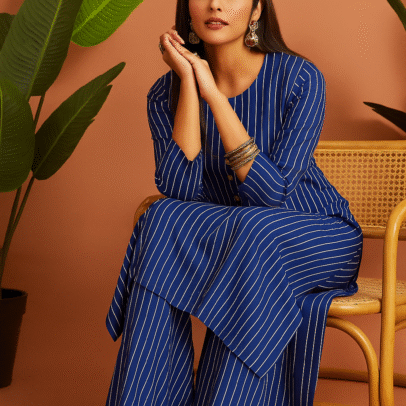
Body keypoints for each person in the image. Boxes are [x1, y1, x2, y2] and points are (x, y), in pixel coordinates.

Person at [105, 0, 363, 405]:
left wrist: (214, 95)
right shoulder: (163, 93)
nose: (216, 4)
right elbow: (181, 190)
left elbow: (270, 196)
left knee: (254, 230)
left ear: (257, 11)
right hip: (240, 237)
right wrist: (189, 85)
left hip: (318, 236)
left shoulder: (299, 77)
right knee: (161, 217)